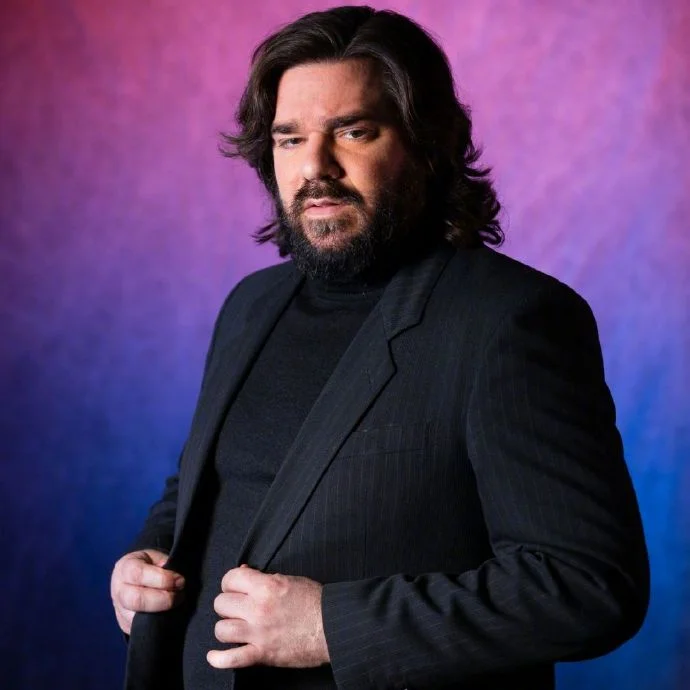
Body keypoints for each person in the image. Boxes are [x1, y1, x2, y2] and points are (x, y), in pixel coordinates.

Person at [110, 6, 649, 690]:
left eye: (353, 132)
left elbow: (588, 585)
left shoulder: (512, 321)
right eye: (289, 139)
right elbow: (208, 486)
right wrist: (146, 560)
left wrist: (331, 626)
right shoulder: (249, 306)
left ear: (429, 144)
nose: (315, 167)